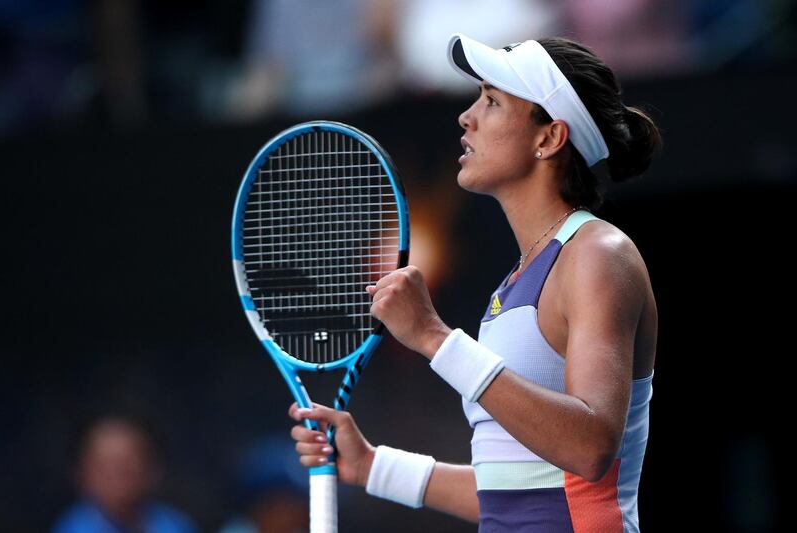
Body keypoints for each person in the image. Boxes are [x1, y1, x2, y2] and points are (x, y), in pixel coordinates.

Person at [289, 32, 660, 532]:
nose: (467, 117)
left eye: (492, 100)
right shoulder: (515, 282)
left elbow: (590, 449)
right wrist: (374, 467)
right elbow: (519, 492)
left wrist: (433, 338)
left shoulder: (598, 255)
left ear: (549, 137)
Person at [51, 416, 197, 533]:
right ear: (82, 474)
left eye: (126, 465)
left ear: (153, 470)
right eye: (105, 467)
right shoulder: (73, 528)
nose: (116, 477)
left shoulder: (174, 524)